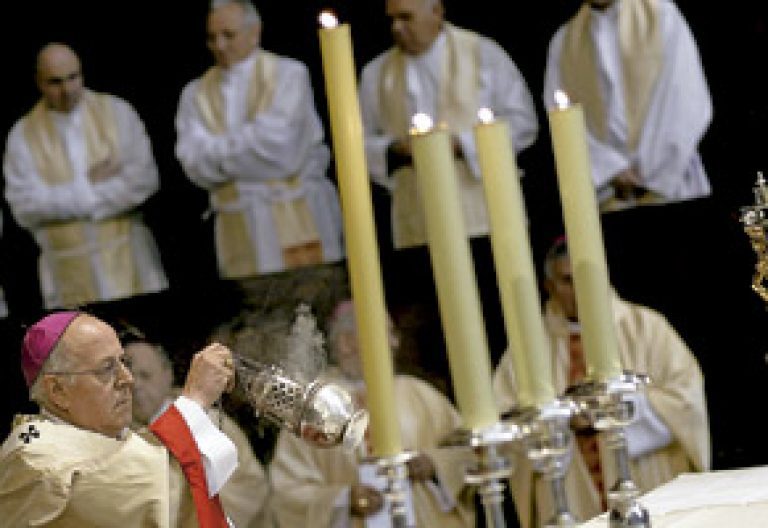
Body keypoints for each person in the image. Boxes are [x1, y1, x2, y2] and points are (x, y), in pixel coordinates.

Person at [359, 0, 538, 368]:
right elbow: (357, 144)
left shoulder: (482, 53)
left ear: (436, 12)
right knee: (436, 330)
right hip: (418, 221)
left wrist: (463, 144)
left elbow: (523, 122)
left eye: (406, 17)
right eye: (391, 18)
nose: (396, 28)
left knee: (497, 319)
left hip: (484, 216)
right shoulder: (378, 73)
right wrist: (395, 149)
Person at [492, 237, 710, 527]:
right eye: (568, 281)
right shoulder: (525, 350)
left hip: (645, 479)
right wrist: (563, 420)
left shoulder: (644, 326)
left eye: (586, 279)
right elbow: (504, 423)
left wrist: (613, 410)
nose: (579, 291)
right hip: (569, 491)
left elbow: (686, 398)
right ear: (549, 287)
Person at [175, 0, 345, 312]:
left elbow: (281, 152)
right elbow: (193, 164)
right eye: (212, 37)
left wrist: (220, 152)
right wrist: (249, 145)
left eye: (228, 35)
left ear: (254, 32)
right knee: (259, 314)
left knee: (313, 305)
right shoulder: (194, 93)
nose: (219, 45)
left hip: (296, 212)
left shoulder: (288, 74)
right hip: (238, 223)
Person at [0, 311, 238, 527]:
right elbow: (147, 493)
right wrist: (194, 401)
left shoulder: (109, 436)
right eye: (106, 369)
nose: (127, 379)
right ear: (58, 391)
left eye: (123, 362)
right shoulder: (34, 457)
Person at [269, 300, 475, 527]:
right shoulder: (314, 407)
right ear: (347, 343)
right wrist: (345, 500)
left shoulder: (419, 394)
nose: (395, 343)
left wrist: (433, 465)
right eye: (386, 333)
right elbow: (288, 491)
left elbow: (466, 451)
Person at [3, 43, 168, 312]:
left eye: (73, 77)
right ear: (38, 82)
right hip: (66, 276)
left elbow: (143, 181)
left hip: (130, 265)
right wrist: (90, 184)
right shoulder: (22, 135)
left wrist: (65, 197)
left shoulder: (117, 113)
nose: (67, 90)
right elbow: (25, 208)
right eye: (55, 82)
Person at [543, 0, 712, 212]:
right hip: (611, 193)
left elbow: (685, 97)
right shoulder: (564, 41)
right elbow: (562, 119)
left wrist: (648, 173)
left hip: (673, 184)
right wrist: (611, 169)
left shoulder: (661, 14)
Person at [123, 326, 271, 528]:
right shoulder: (119, 437)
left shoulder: (207, 421)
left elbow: (248, 486)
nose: (137, 386)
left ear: (168, 375)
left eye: (145, 375)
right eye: (130, 381)